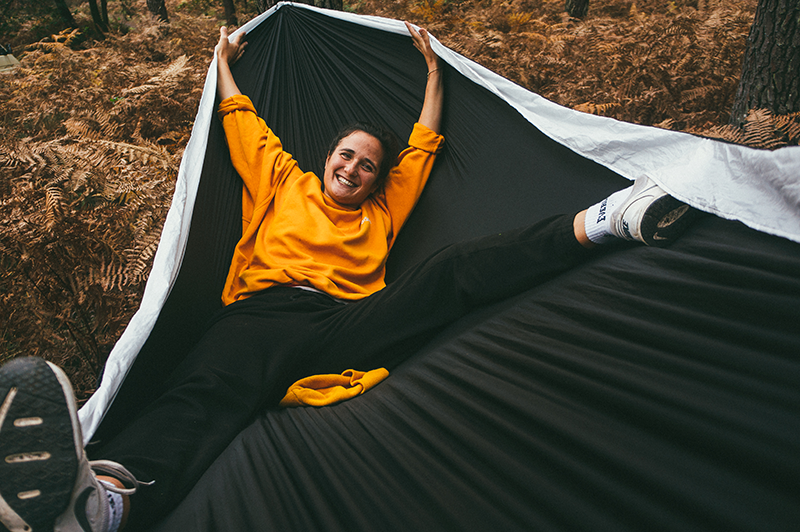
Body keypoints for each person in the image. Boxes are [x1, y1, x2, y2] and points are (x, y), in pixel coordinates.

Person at [0, 22, 698, 532]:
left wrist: (432, 69)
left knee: (450, 273)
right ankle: (108, 502)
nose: (354, 169)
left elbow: (424, 144)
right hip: (260, 316)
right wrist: (220, 59)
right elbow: (238, 118)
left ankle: (604, 220)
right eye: (347, 155)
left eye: (367, 164)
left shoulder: (384, 208)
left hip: (344, 325)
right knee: (207, 394)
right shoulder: (282, 179)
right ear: (327, 155)